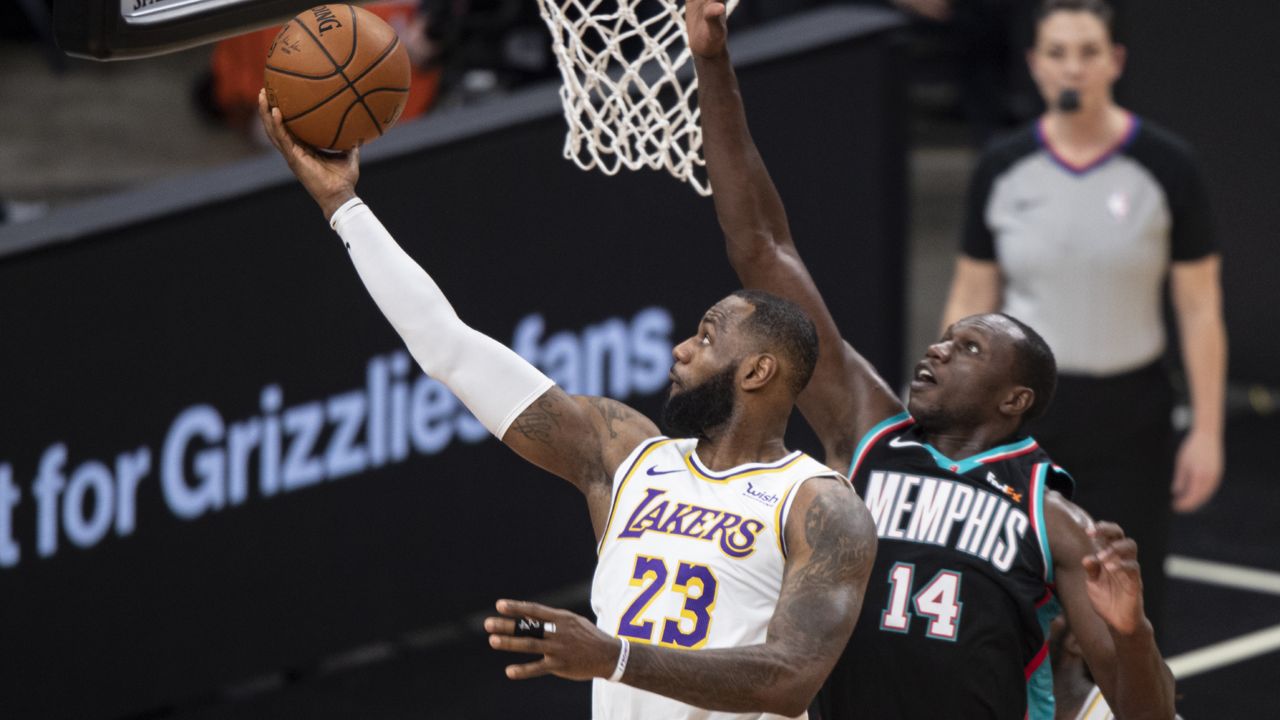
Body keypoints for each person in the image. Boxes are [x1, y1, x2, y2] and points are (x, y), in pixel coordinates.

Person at [255, 91, 878, 719]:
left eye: (708, 336)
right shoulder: (625, 456)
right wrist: (343, 205)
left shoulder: (818, 503)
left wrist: (614, 658)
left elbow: (792, 677)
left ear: (758, 371)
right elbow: (450, 349)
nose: (683, 348)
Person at [685, 0, 1175, 717]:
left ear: (1015, 399)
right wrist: (711, 61)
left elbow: (1151, 714)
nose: (938, 348)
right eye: (944, 337)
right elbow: (762, 245)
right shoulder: (869, 431)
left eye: (968, 348)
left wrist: (1131, 634)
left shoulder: (1053, 521)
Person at [940, 0, 1227, 634]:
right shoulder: (1004, 167)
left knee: (1128, 599)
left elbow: (1200, 306)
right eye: (1058, 53)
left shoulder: (1166, 165)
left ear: (1115, 62)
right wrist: (951, 413)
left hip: (1133, 413)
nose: (1074, 68)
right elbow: (969, 295)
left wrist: (1207, 429)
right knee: (1014, 586)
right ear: (1035, 65)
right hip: (1025, 413)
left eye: (1089, 52)